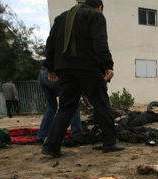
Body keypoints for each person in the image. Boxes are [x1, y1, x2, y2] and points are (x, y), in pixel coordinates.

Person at [42, 0, 124, 157]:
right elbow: (100, 41)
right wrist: (108, 64)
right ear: (99, 7)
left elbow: (50, 43)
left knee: (65, 107)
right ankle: (109, 143)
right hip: (88, 66)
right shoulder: (95, 16)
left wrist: (50, 67)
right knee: (101, 103)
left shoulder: (61, 18)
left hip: (65, 68)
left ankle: (51, 146)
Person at [36, 69, 83, 144]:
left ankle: (41, 136)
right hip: (55, 75)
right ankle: (76, 135)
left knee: (51, 106)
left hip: (43, 75)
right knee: (73, 103)